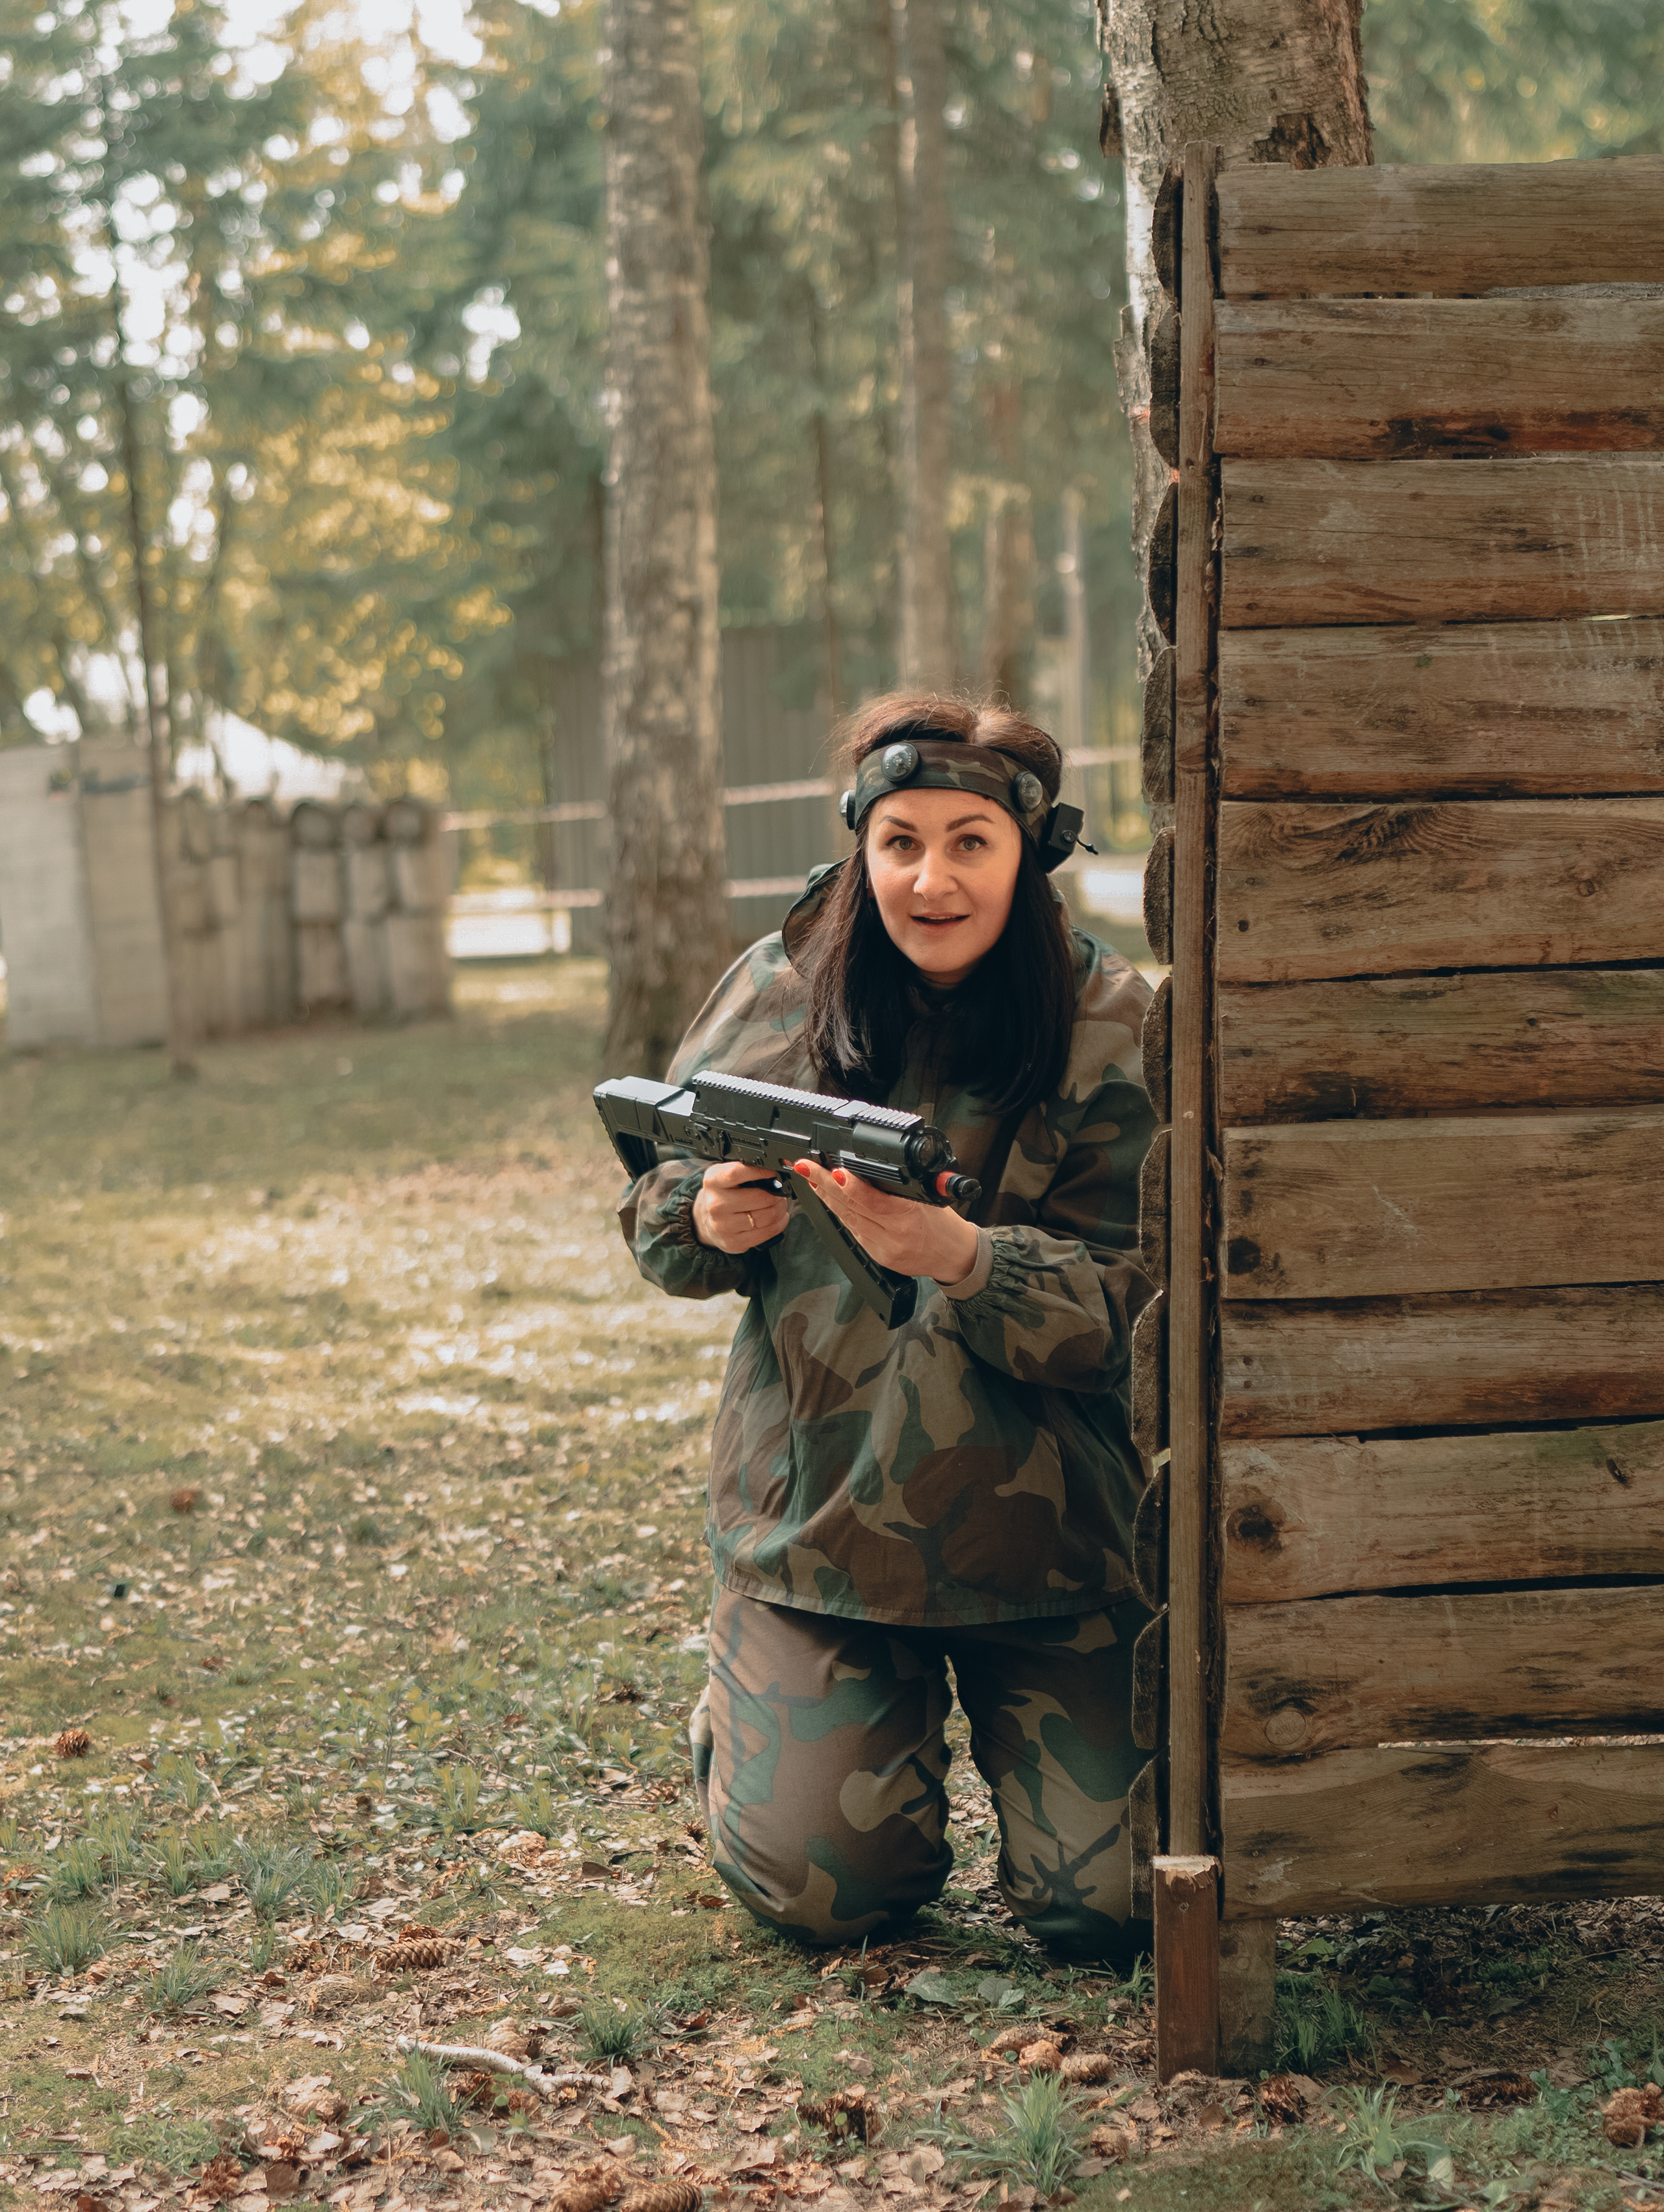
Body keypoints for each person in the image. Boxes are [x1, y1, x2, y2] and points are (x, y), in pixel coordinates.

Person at [618, 694, 1159, 1965]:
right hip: (822, 1529)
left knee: (1118, 1906)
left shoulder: (1113, 1024)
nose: (930, 879)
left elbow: (1144, 1315)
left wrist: (967, 1261)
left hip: (1058, 1545)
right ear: (860, 846)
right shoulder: (778, 991)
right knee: (828, 1896)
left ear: (1029, 851)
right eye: (900, 841)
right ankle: (757, 1726)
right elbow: (656, 1210)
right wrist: (705, 1215)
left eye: (970, 842)